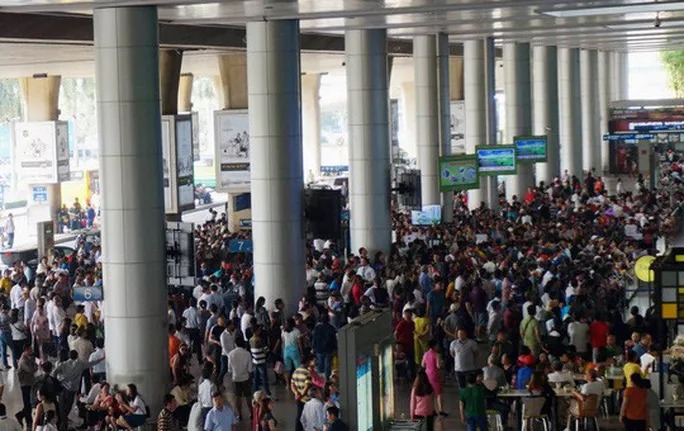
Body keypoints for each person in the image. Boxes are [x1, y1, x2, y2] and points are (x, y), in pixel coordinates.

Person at [226, 337, 253, 420]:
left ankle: (240, 414)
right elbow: (250, 369)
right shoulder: (247, 354)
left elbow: (229, 369)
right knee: (248, 396)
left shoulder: (231, 354)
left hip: (235, 378)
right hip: (245, 378)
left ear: (235, 344)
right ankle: (251, 413)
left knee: (238, 397)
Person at [421, 339, 446, 416]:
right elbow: (438, 366)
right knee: (439, 393)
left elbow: (423, 365)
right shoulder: (437, 355)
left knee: (430, 393)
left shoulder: (426, 354)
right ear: (435, 346)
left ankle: (432, 409)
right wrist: (442, 364)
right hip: (435, 374)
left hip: (427, 374)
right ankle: (441, 410)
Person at [291, 356, 314, 431]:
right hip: (306, 399)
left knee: (299, 416)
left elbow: (292, 384)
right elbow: (307, 386)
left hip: (298, 399)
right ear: (307, 362)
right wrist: (301, 395)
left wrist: (296, 393)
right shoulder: (307, 373)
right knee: (308, 417)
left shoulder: (296, 371)